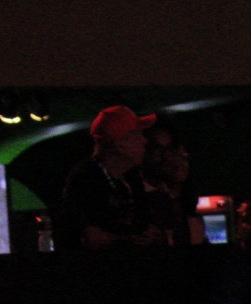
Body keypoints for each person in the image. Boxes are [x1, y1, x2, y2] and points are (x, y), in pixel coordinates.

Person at [53, 106, 165, 252]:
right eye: (136, 134)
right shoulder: (86, 177)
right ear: (119, 143)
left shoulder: (131, 177)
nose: (144, 140)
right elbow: (86, 235)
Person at [142, 119, 202, 246]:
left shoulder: (174, 200)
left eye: (168, 149)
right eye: (157, 149)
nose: (166, 157)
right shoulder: (136, 196)